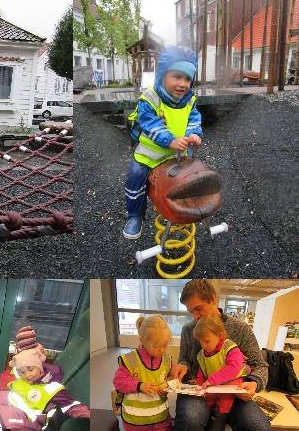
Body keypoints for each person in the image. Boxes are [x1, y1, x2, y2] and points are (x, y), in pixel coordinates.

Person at [123, 46, 203, 239]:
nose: (183, 84)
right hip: (150, 154)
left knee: (193, 177)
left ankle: (188, 206)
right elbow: (150, 125)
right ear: (162, 76)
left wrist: (194, 134)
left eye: (187, 79)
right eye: (177, 76)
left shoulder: (189, 100)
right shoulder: (150, 98)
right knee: (135, 175)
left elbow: (194, 119)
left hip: (178, 153)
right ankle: (135, 215)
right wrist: (170, 141)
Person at [171, 279, 271, 430]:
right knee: (191, 418)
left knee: (259, 426)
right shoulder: (188, 329)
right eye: (191, 311)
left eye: (198, 309)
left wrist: (254, 383)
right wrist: (182, 367)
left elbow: (260, 365)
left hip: (232, 391)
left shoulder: (240, 328)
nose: (195, 316)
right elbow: (184, 359)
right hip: (197, 388)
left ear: (213, 299)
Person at [0, 348, 90, 431]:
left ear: (40, 368)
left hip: (31, 418)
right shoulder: (24, 380)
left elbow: (71, 405)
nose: (27, 375)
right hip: (19, 407)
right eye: (23, 372)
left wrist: (87, 414)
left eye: (31, 370)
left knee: (1, 415)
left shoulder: (52, 388)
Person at [112, 315, 172, 430]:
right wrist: (139, 385)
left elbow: (168, 378)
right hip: (135, 421)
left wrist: (168, 385)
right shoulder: (130, 360)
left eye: (165, 345)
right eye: (156, 346)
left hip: (160, 418)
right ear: (142, 340)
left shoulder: (166, 360)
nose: (162, 350)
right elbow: (118, 381)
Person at [193, 315, 251, 431]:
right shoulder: (203, 353)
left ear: (219, 335)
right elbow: (202, 369)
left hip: (233, 379)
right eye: (201, 342)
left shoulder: (229, 347)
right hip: (215, 381)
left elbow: (234, 368)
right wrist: (199, 384)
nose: (204, 345)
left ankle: (220, 420)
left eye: (207, 341)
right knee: (208, 397)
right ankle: (209, 417)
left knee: (225, 399)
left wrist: (212, 380)